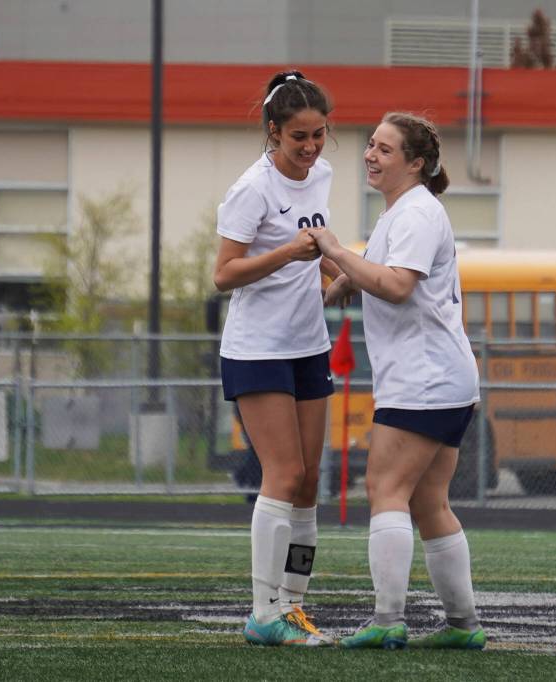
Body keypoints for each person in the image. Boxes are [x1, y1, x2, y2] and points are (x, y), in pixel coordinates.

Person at [308, 112, 486, 650]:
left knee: (386, 490)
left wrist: (337, 254)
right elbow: (380, 271)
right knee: (429, 502)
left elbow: (398, 285)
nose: (371, 155)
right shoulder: (403, 212)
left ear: (416, 164)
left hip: (423, 381)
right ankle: (463, 626)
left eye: (385, 149)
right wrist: (343, 279)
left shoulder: (415, 213)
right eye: (371, 146)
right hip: (445, 380)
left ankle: (388, 619)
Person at [213, 70, 340, 647]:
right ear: (273, 133)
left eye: (319, 135)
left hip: (308, 345)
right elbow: (223, 274)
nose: (311, 148)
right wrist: (289, 251)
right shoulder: (252, 189)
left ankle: (293, 608)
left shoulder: (324, 175)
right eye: (299, 138)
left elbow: (322, 251)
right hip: (258, 349)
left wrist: (345, 274)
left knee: (310, 481)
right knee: (283, 475)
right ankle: (264, 613)